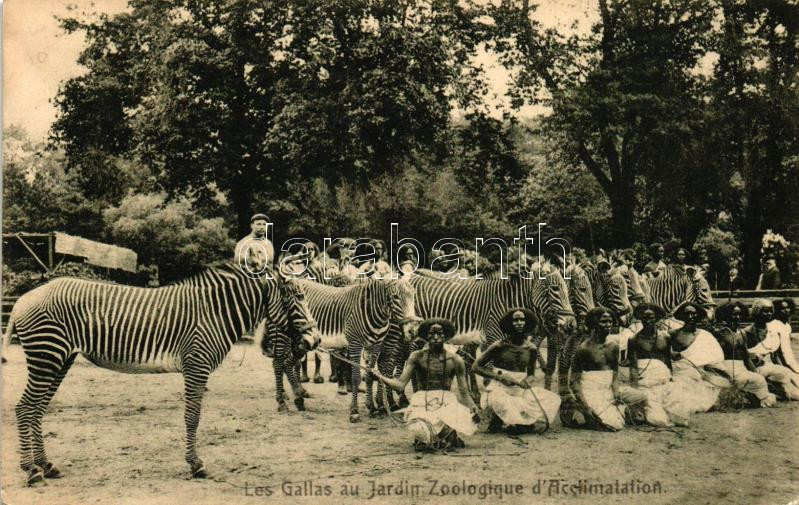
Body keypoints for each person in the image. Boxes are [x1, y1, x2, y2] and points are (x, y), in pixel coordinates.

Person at [375, 318, 479, 452]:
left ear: (446, 335)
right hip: (421, 401)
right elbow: (400, 385)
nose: (436, 337)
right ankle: (432, 436)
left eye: (440, 333)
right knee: (421, 430)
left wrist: (473, 408)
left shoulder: (456, 360)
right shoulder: (416, 356)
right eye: (432, 334)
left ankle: (447, 435)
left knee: (455, 425)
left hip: (446, 401)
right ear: (425, 336)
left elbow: (464, 392)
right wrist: (380, 377)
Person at [472, 309, 561, 434]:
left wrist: (527, 380)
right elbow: (475, 367)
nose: (519, 323)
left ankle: (517, 422)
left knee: (552, 399)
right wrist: (500, 378)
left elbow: (531, 375)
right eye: (515, 320)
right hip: (499, 388)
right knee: (502, 400)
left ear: (527, 323)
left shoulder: (531, 348)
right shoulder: (499, 346)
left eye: (522, 320)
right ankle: (512, 422)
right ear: (509, 324)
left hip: (520, 389)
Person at [560, 307, 647, 431]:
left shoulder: (614, 346)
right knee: (611, 423)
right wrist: (585, 405)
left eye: (610, 321)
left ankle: (618, 410)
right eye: (604, 321)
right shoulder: (583, 349)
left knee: (641, 396)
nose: (608, 325)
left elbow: (615, 374)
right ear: (594, 324)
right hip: (591, 392)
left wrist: (616, 393)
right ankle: (579, 411)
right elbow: (574, 382)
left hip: (609, 390)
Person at [708, 302, 776, 408]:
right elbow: (713, 357)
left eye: (739, 314)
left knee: (759, 380)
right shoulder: (720, 333)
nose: (737, 317)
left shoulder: (742, 333)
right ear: (726, 316)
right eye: (734, 315)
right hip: (726, 368)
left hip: (741, 368)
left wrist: (756, 373)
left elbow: (746, 357)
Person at [667, 302, 728, 420]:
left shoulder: (705, 335)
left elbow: (714, 358)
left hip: (700, 373)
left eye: (694, 314)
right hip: (680, 372)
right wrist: (671, 354)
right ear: (681, 316)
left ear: (698, 316)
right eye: (687, 314)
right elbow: (663, 353)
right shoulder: (673, 334)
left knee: (714, 386)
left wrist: (708, 371)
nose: (690, 317)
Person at [625, 303, 677, 427]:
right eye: (645, 318)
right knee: (656, 417)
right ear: (640, 319)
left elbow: (668, 359)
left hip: (663, 378)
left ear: (657, 318)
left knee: (677, 409)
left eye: (651, 317)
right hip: (645, 380)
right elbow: (633, 366)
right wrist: (634, 388)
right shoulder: (634, 340)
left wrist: (671, 378)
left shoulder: (665, 337)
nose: (648, 321)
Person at [744, 299, 799, 400]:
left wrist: (785, 370)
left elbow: (776, 354)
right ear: (757, 312)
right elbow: (745, 355)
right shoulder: (747, 332)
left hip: (773, 367)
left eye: (770, 311)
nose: (769, 314)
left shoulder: (774, 330)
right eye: (765, 311)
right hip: (756, 368)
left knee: (792, 380)